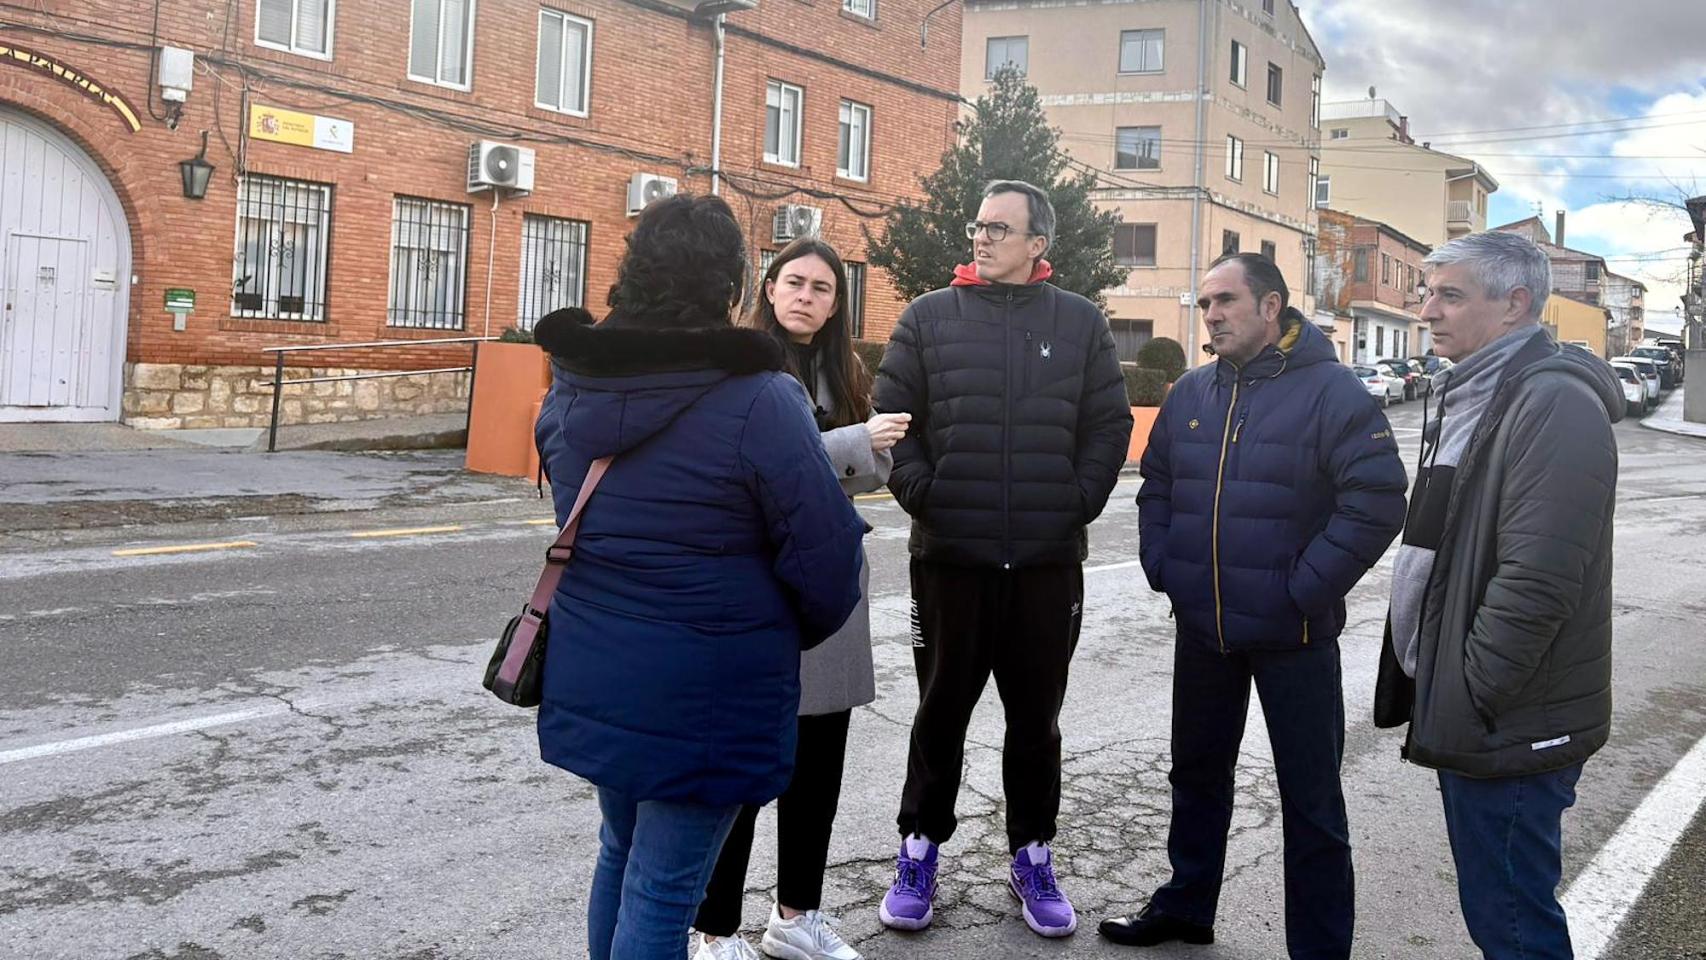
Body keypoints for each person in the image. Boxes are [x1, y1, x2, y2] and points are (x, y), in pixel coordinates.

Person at [531, 194, 866, 960]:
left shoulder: (575, 383)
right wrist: (777, 630)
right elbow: (826, 564)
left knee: (620, 855)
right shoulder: (761, 397)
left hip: (600, 667)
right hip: (709, 689)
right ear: (731, 286)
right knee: (663, 889)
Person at [1102, 253, 1407, 959]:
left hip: (1293, 636)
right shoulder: (1192, 392)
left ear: (1271, 307)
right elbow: (1157, 484)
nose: (1210, 315)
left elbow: (1377, 501)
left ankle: (1320, 948)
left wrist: (1302, 590)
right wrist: (1164, 566)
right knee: (1196, 775)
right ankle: (1186, 904)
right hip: (1203, 629)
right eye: (1205, 303)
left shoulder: (1334, 392)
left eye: (1225, 301)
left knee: (1312, 803)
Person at [872, 179, 1134, 938]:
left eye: (997, 228)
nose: (980, 238)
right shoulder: (927, 318)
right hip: (950, 558)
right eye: (976, 226)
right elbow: (893, 424)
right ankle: (919, 848)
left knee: (1035, 722)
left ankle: (1032, 854)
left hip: (1048, 563)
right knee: (940, 710)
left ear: (1037, 244)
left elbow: (1109, 425)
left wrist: (1075, 500)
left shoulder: (1081, 323)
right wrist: (926, 494)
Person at [1375, 231, 1621, 959]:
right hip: (1481, 706)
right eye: (1427, 293)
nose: (1427, 311)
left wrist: (1472, 690)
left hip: (1510, 716)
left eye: (1450, 295)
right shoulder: (1480, 391)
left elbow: (1539, 580)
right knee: (1498, 905)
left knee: (1513, 918)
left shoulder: (1552, 405)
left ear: (1515, 305)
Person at [691, 237, 910, 960]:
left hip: (832, 588)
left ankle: (796, 918)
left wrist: (865, 448)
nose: (807, 296)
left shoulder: (846, 369)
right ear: (769, 287)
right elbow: (747, 466)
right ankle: (715, 928)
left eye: (823, 287)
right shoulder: (738, 364)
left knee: (817, 772)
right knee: (747, 773)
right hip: (760, 593)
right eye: (795, 281)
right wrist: (854, 441)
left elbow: (862, 476)